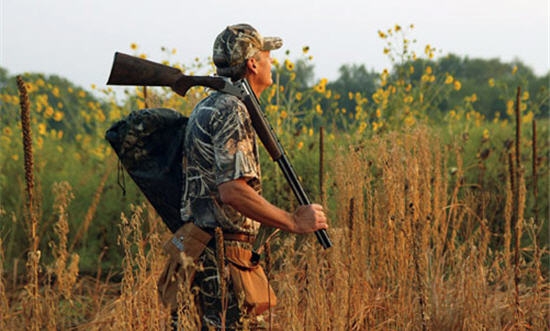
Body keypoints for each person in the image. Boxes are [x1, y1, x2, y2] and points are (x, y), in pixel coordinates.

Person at [177, 23, 328, 330]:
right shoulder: (232, 109)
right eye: (268, 55)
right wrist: (293, 221)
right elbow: (232, 190)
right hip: (223, 259)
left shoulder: (207, 104)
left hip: (200, 250)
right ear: (252, 64)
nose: (273, 62)